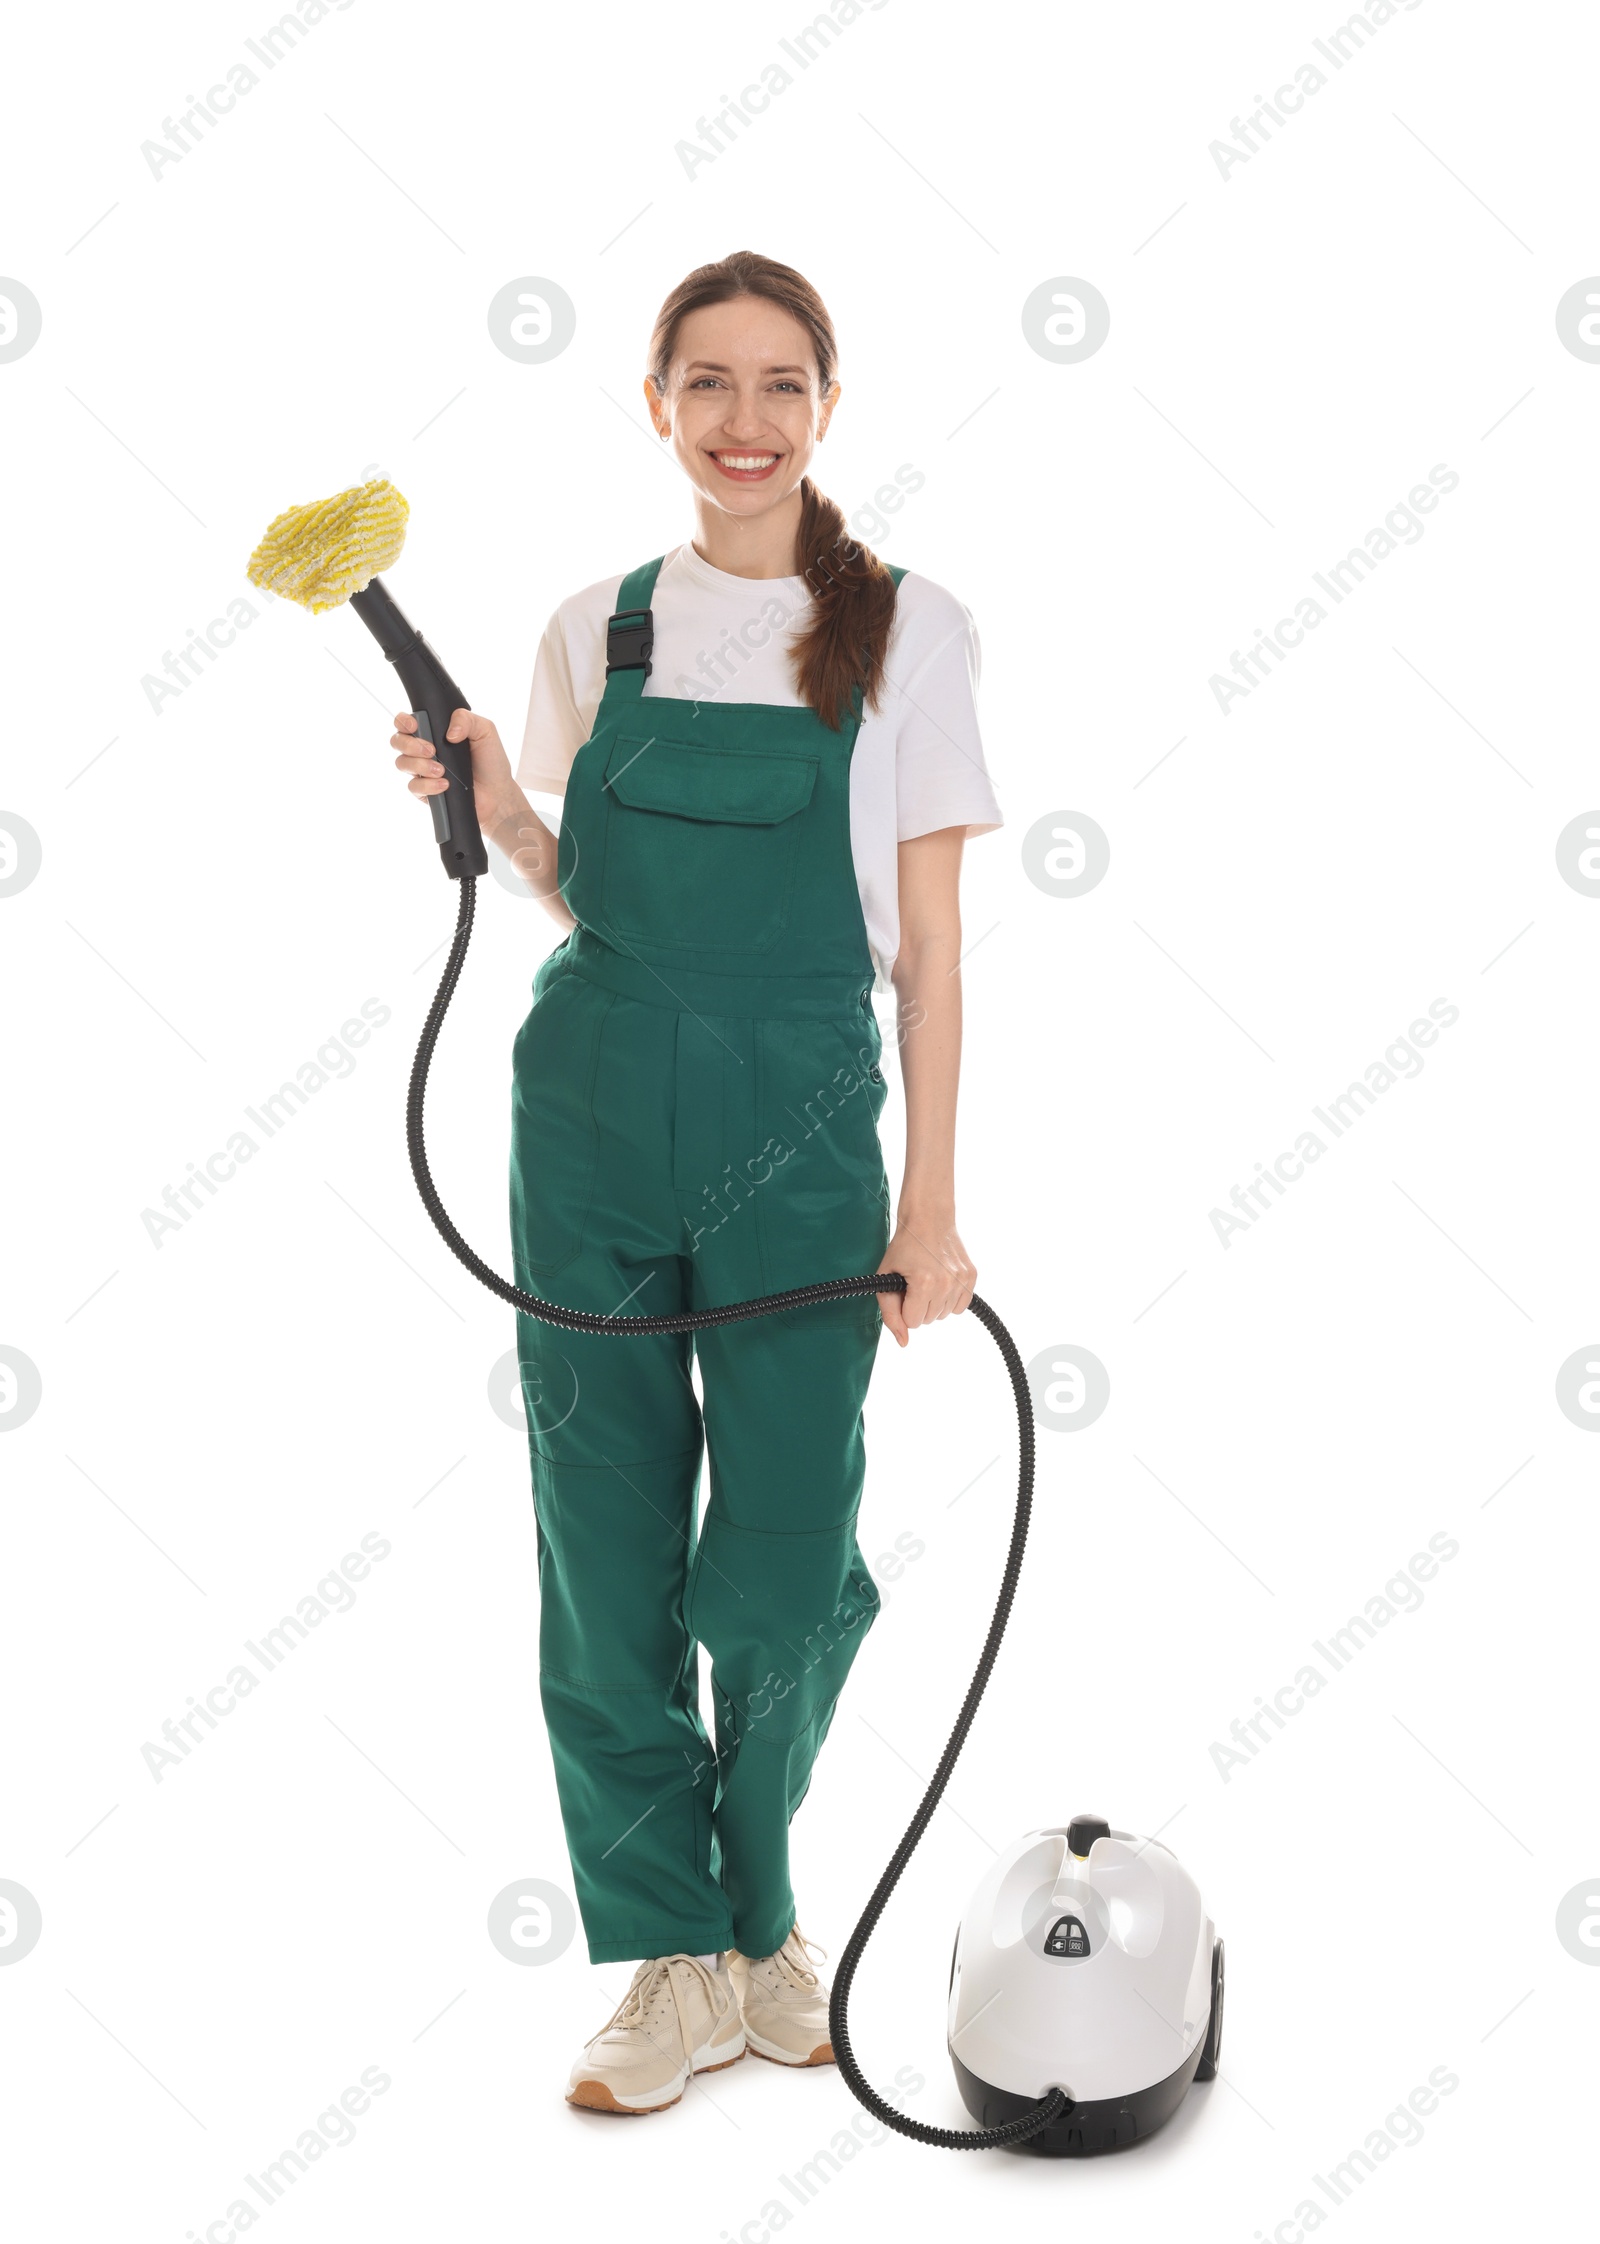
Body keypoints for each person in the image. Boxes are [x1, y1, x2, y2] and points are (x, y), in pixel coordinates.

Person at [389, 250, 1001, 2115]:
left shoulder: (904, 627)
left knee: (789, 1558)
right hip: (584, 1121)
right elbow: (594, 900)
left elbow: (933, 949)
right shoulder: (602, 626)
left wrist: (935, 1209)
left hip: (806, 1139)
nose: (746, 423)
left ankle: (763, 1906)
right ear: (655, 406)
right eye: (708, 385)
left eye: (782, 386)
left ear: (830, 409)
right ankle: (672, 1955)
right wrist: (494, 808)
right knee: (604, 1547)